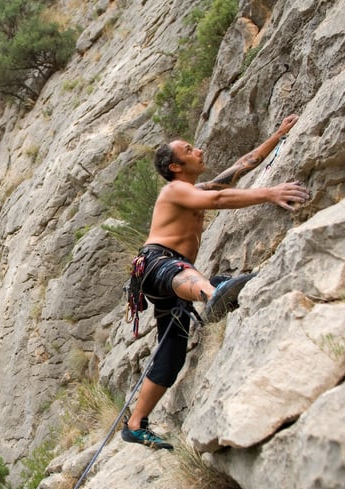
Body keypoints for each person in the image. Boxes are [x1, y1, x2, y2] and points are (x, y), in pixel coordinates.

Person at [121, 114, 309, 450]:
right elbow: (220, 201)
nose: (200, 151)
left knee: (172, 352)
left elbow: (241, 166)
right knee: (186, 273)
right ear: (175, 166)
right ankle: (214, 292)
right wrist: (269, 193)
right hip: (157, 265)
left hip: (170, 279)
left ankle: (135, 424)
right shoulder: (174, 190)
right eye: (190, 150)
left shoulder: (193, 189)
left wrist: (278, 135)